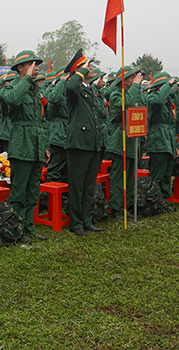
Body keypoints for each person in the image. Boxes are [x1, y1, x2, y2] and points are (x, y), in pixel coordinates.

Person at [0, 50, 50, 241]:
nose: (36, 68)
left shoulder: (36, 90)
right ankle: (17, 228)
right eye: (31, 64)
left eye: (37, 65)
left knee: (33, 189)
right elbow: (12, 101)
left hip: (36, 144)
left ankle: (29, 226)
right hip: (21, 145)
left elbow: (42, 120)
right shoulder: (12, 87)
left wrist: (45, 146)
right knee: (19, 190)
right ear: (20, 67)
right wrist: (27, 79)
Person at [63, 51, 104, 236]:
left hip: (93, 143)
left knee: (89, 185)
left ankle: (87, 220)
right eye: (87, 66)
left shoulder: (90, 89)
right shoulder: (75, 88)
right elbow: (70, 86)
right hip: (78, 144)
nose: (91, 68)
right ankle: (76, 223)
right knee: (77, 186)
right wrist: (80, 72)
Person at [106, 65, 143, 219]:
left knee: (130, 178)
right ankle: (116, 208)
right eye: (132, 77)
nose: (135, 80)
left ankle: (126, 207)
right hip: (120, 141)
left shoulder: (134, 93)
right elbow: (127, 104)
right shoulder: (116, 95)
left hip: (133, 140)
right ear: (124, 80)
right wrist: (135, 86)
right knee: (119, 178)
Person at [145, 72, 179, 200]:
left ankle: (164, 198)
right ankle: (155, 200)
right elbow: (158, 102)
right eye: (167, 85)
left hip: (168, 139)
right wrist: (168, 84)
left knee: (166, 173)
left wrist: (174, 145)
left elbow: (171, 124)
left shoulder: (168, 100)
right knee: (158, 173)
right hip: (158, 139)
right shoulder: (152, 97)